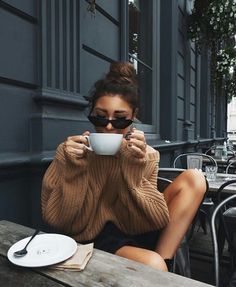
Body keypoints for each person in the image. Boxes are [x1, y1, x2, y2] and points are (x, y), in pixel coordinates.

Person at [41, 61, 207, 272]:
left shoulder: (145, 155)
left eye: (119, 120)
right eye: (100, 117)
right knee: (151, 264)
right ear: (91, 112)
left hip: (136, 226)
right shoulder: (71, 152)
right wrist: (76, 169)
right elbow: (62, 222)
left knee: (195, 178)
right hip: (95, 235)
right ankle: (160, 269)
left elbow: (153, 219)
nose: (109, 126)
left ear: (132, 117)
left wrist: (134, 168)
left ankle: (165, 265)